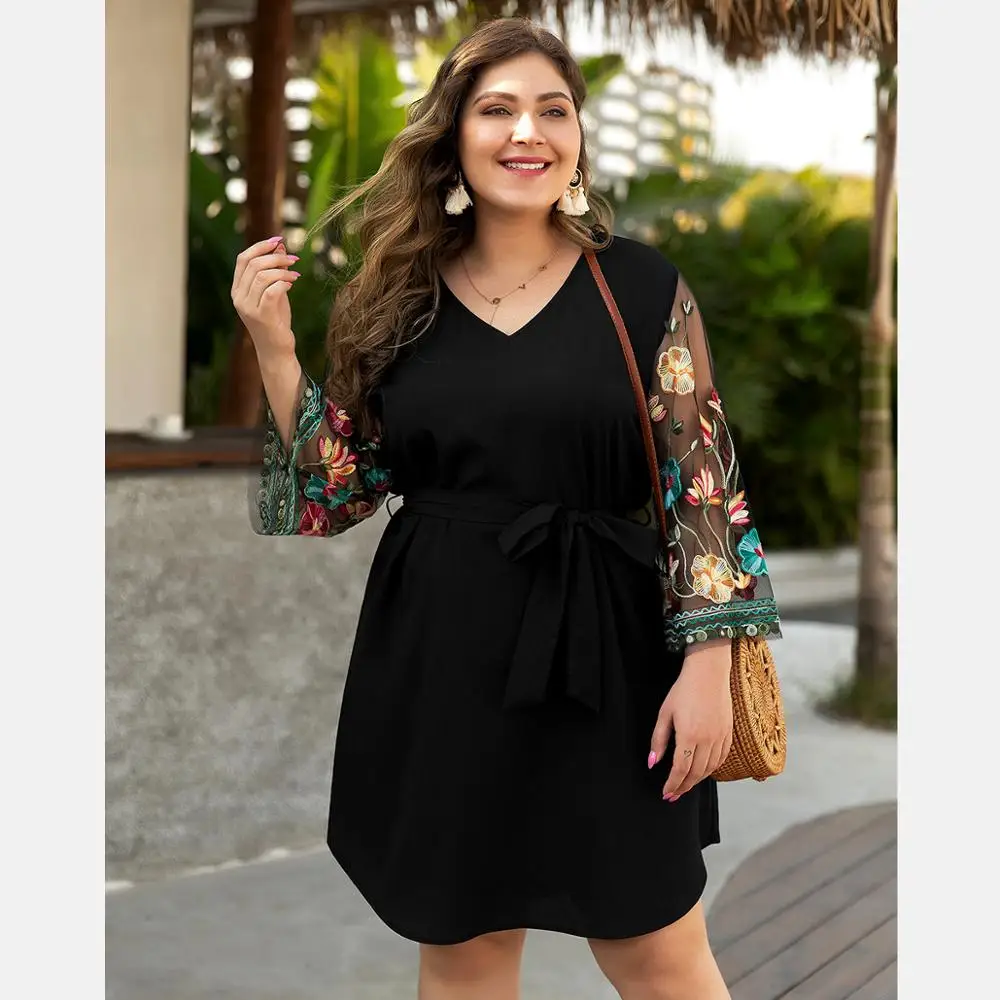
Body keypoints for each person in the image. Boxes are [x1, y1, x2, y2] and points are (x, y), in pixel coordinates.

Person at [231, 17, 780, 1000]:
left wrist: (708, 664)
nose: (528, 132)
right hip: (442, 653)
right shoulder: (394, 296)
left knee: (656, 949)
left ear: (576, 137)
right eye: (497, 109)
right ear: (454, 134)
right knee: (465, 950)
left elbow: (701, 481)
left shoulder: (641, 286)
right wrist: (276, 349)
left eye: (552, 110)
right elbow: (337, 493)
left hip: (611, 654)